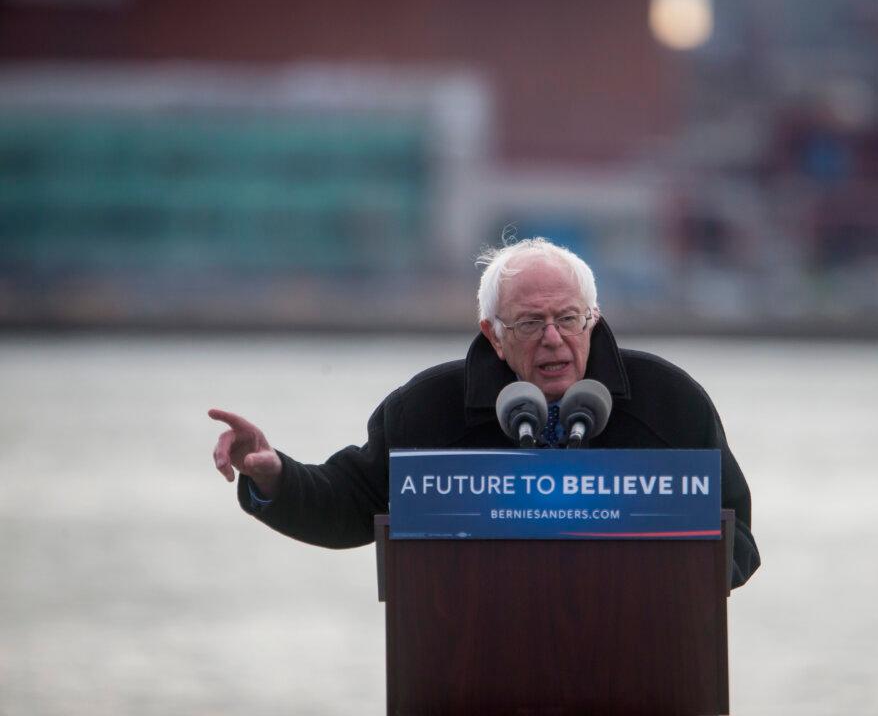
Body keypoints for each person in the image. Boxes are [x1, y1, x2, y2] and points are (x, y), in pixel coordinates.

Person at [210, 238, 760, 587]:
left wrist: (681, 579)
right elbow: (348, 502)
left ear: (592, 321)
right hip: (474, 669)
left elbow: (736, 536)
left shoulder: (671, 401)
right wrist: (273, 474)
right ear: (492, 336)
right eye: (528, 323)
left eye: (568, 319)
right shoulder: (427, 409)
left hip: (645, 668)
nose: (552, 339)